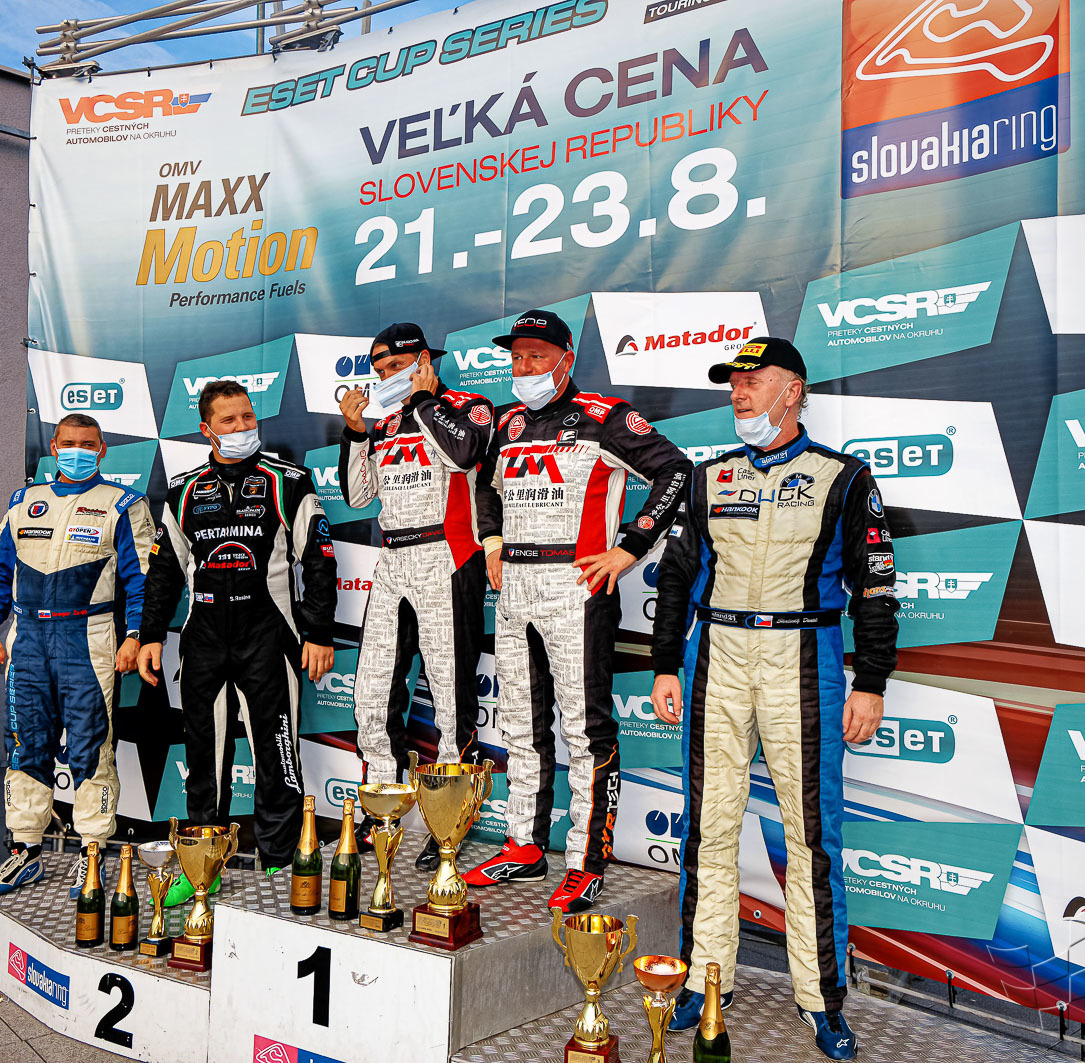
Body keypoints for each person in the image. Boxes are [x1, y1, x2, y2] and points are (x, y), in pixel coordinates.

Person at [649, 338, 898, 1061]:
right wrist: (665, 665)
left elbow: (875, 585)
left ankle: (821, 999)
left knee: (811, 836)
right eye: (733, 382)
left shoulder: (844, 477)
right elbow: (676, 576)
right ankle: (704, 980)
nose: (739, 393)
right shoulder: (709, 477)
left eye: (753, 381)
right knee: (709, 828)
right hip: (717, 657)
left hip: (803, 657)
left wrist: (871, 680)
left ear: (792, 391)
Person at [465, 308, 690, 912]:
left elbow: (674, 471)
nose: (524, 367)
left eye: (537, 356)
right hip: (515, 587)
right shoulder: (508, 422)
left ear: (565, 359)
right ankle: (523, 845)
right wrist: (491, 539)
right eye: (517, 357)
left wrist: (631, 547)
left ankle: (586, 862)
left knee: (585, 731)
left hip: (577, 586)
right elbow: (484, 486)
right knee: (519, 723)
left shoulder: (604, 416)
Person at [136, 380, 336, 901]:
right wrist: (151, 635)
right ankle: (202, 864)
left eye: (248, 417)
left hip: (269, 637)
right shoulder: (182, 491)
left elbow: (319, 561)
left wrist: (318, 632)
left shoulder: (288, 481)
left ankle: (280, 862)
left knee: (277, 756)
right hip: (203, 640)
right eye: (229, 420)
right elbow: (164, 571)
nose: (243, 426)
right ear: (207, 430)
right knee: (204, 758)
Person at [0, 413, 156, 898]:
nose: (78, 451)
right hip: (28, 637)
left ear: (102, 449)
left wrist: (134, 635)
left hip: (88, 635)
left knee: (90, 746)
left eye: (88, 444)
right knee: (24, 743)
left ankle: (92, 854)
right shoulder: (23, 502)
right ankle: (25, 851)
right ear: (54, 447)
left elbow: (141, 580)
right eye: (69, 443)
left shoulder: (124, 503)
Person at [339, 323, 494, 871]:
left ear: (423, 360)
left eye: (394, 367)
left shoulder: (469, 406)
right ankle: (384, 808)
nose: (384, 377)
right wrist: (356, 433)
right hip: (393, 558)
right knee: (371, 692)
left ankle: (449, 821)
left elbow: (465, 454)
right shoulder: (385, 423)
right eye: (378, 370)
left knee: (450, 698)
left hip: (446, 554)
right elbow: (358, 495)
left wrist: (426, 400)